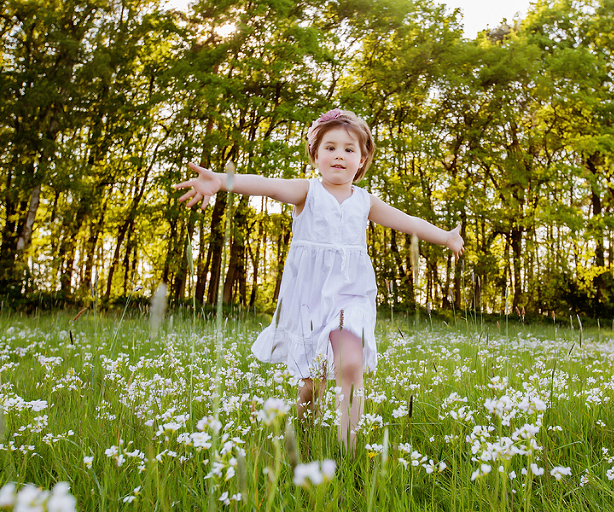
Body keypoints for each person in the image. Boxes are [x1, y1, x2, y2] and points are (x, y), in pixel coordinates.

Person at [175, 109, 464, 449]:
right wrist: (222, 181)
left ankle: (349, 450)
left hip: (352, 295)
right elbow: (267, 186)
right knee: (313, 384)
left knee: (351, 362)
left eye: (348, 149)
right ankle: (305, 433)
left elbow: (409, 222)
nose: (339, 154)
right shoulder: (306, 191)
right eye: (330, 147)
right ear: (315, 155)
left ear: (362, 159)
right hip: (309, 298)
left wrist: (445, 236)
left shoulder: (365, 201)